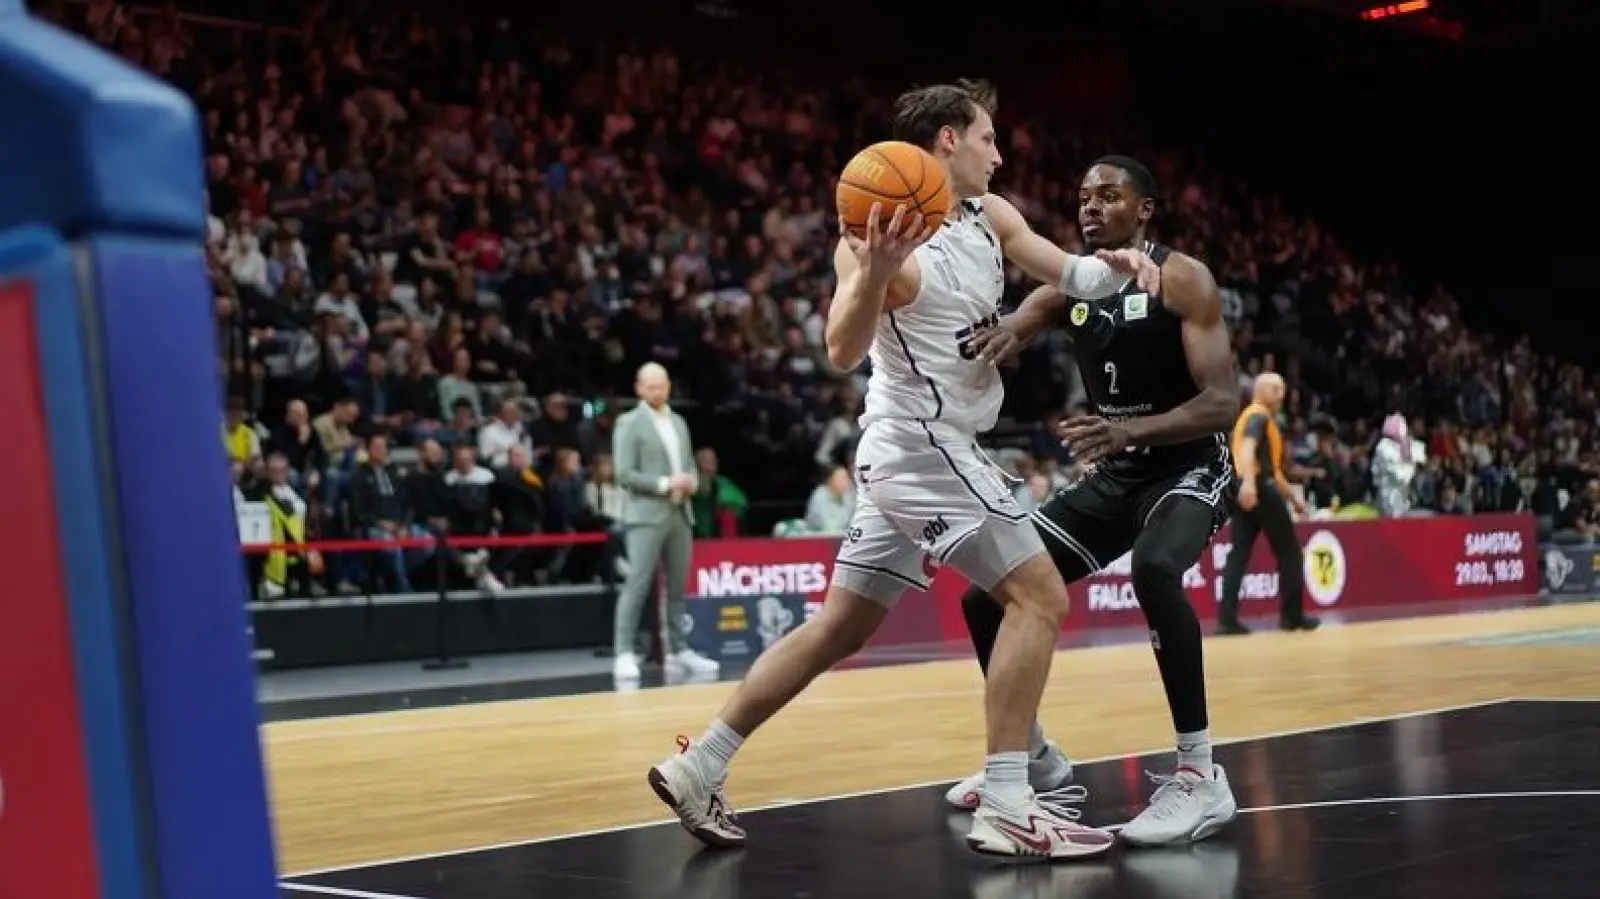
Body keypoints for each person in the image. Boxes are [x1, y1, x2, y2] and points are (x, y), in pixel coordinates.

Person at [646, 80, 1161, 860]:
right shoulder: (876, 231)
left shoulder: (989, 214)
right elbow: (840, 349)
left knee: (839, 627)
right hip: (923, 445)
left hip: (913, 451)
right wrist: (873, 272)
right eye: (988, 138)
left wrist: (1120, 264)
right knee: (1039, 596)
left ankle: (700, 762)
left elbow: (1074, 276)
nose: (999, 154)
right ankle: (1010, 800)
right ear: (948, 140)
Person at [948, 156, 1243, 847]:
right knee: (986, 596)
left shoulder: (1182, 278)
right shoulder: (1069, 288)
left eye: (1109, 196)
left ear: (1144, 210)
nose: (1090, 206)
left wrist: (1129, 430)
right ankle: (1031, 757)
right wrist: (990, 338)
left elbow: (1223, 402)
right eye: (1084, 197)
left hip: (1190, 465)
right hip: (1117, 472)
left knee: (1155, 569)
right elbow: (1016, 325)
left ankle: (1199, 774)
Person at [610, 362, 721, 681]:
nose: (657, 392)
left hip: (680, 513)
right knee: (637, 583)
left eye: (661, 386)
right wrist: (665, 483)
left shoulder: (679, 422)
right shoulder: (628, 423)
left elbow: (688, 465)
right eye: (650, 387)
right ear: (639, 389)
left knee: (677, 586)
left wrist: (692, 481)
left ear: (669, 386)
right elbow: (624, 473)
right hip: (646, 515)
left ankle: (679, 648)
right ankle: (623, 651)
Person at [1216, 372, 1322, 634]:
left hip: (1245, 489)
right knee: (1289, 550)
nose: (1281, 394)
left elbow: (1274, 470)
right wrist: (1250, 483)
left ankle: (1227, 620)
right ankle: (1292, 616)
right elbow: (1247, 450)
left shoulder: (1251, 417)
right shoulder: (1258, 416)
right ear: (1259, 391)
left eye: (1282, 388)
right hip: (1257, 488)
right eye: (1275, 388)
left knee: (1238, 553)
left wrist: (1294, 499)